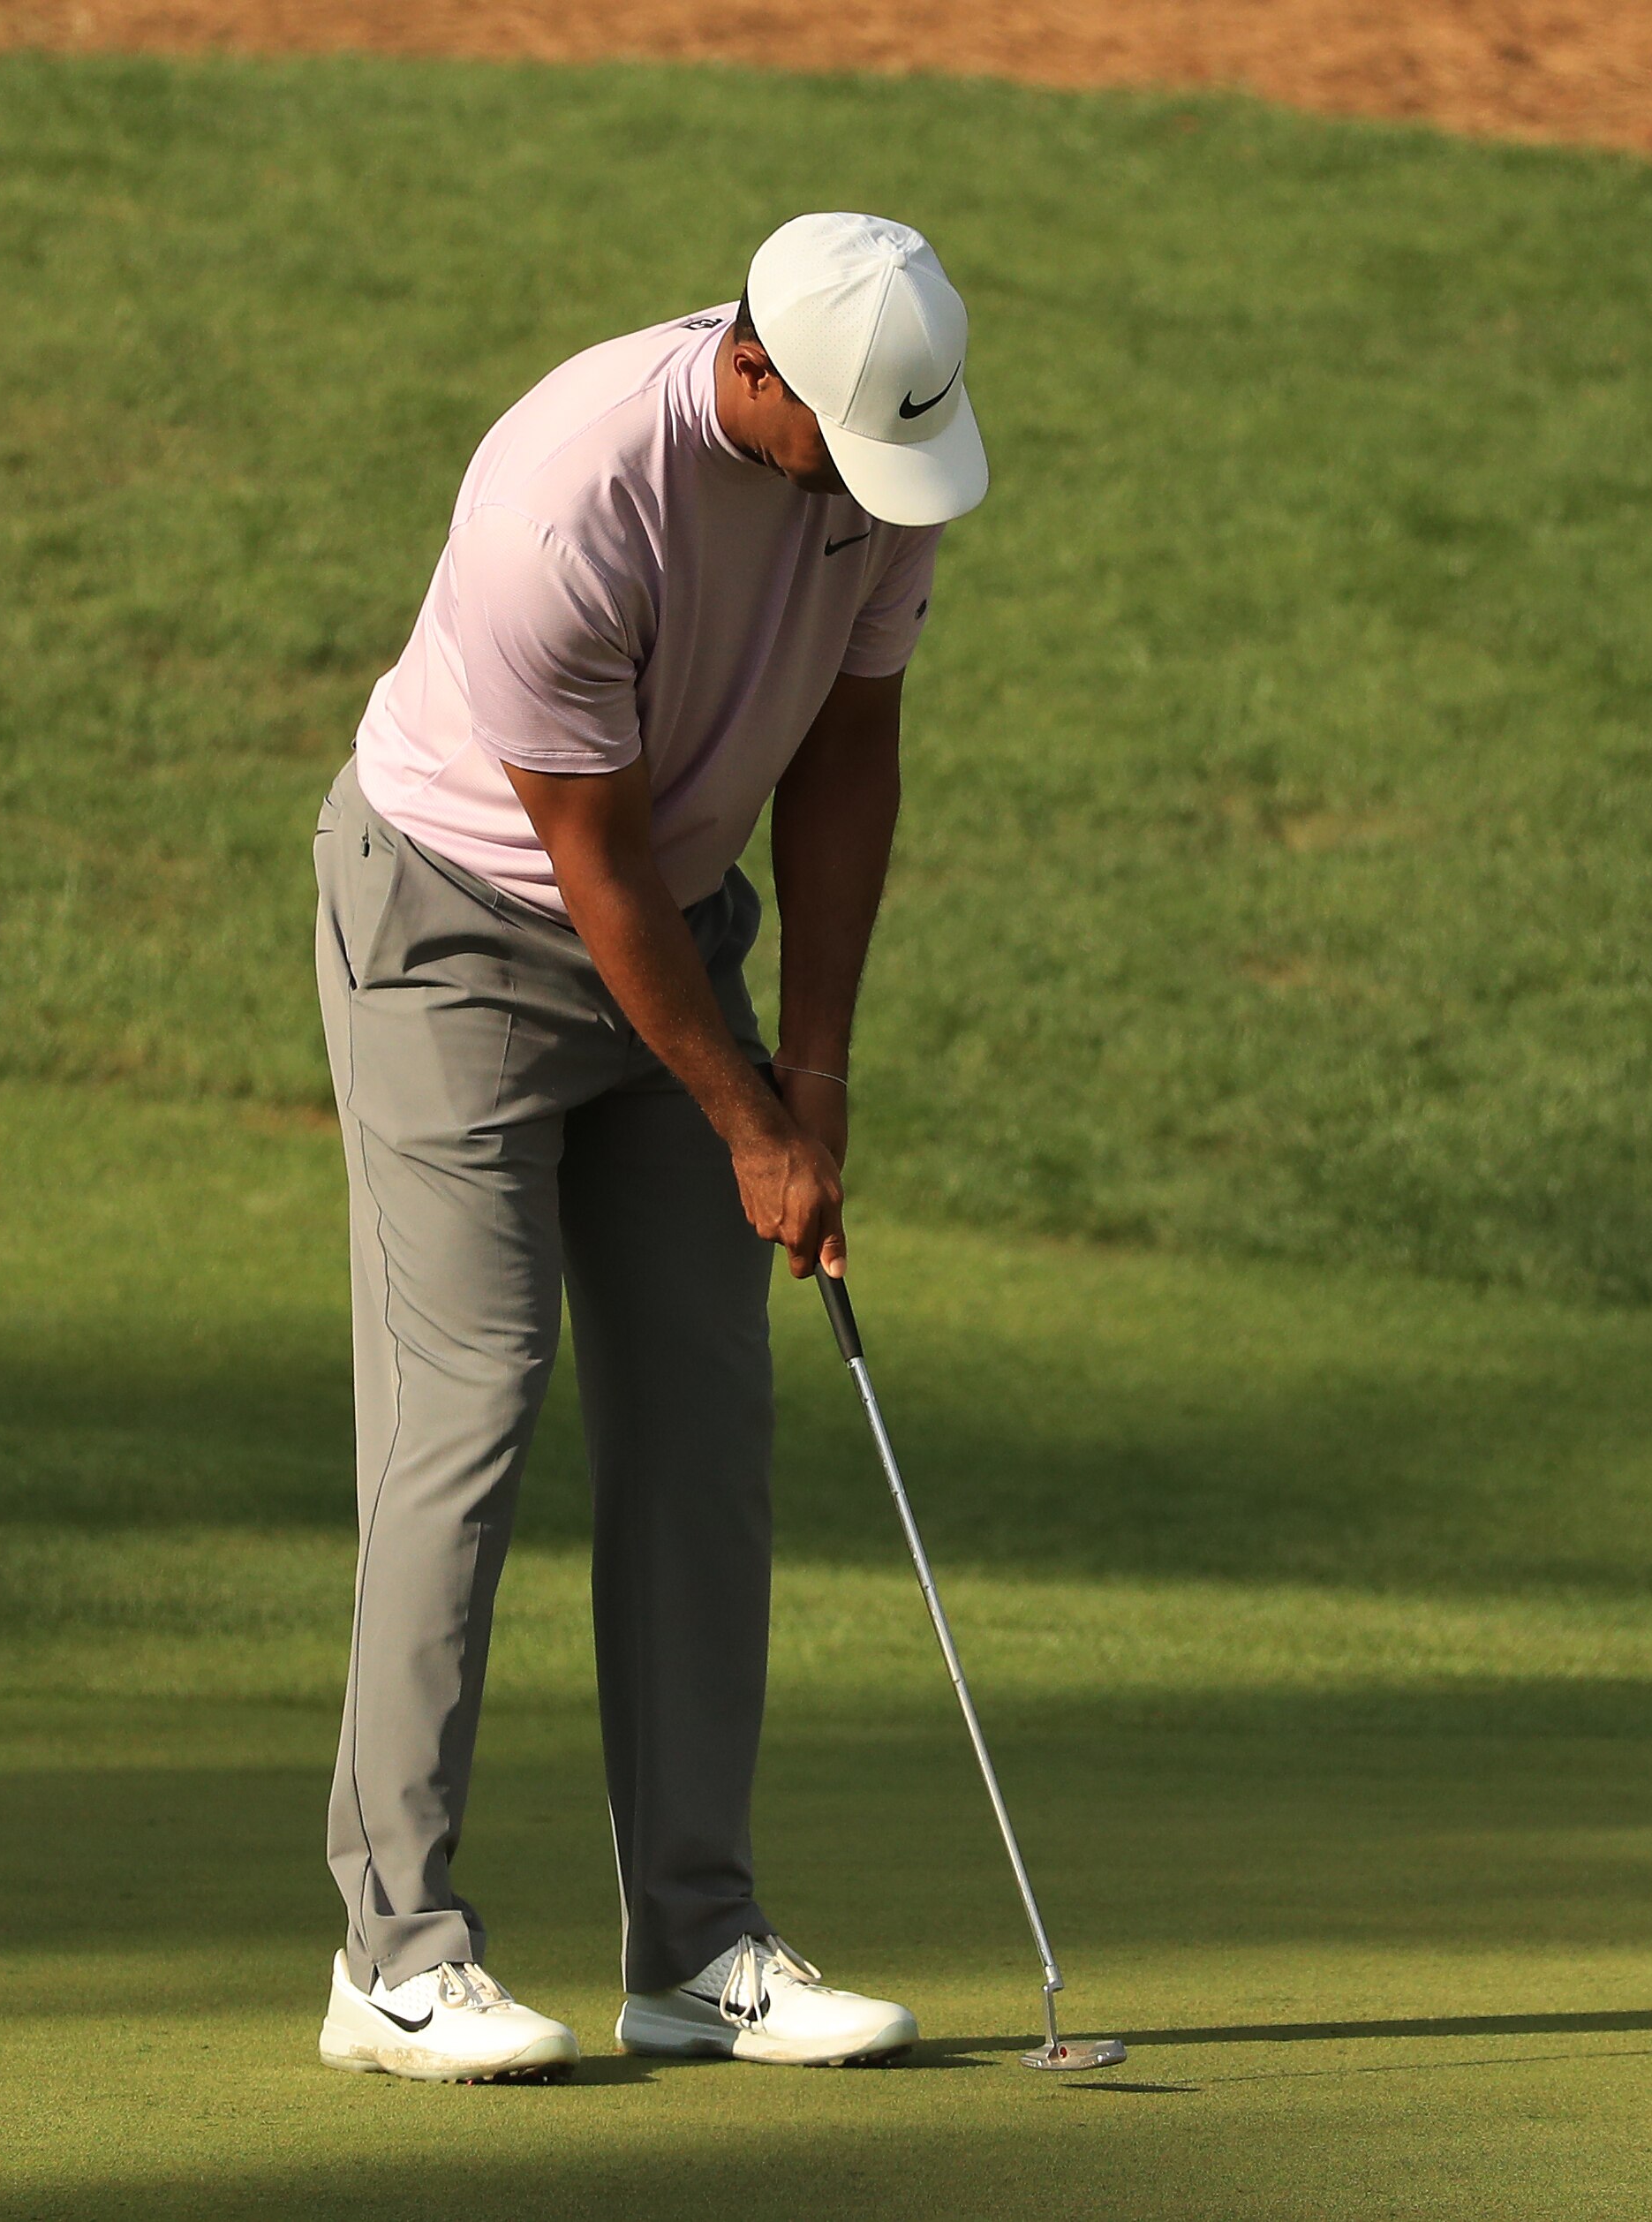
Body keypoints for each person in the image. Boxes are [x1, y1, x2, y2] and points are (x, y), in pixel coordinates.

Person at [306, 212, 986, 2083]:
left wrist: (819, 1084)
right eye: (847, 448)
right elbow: (586, 866)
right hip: (453, 927)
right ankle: (395, 1951)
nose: (876, 491)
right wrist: (747, 1115)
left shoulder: (888, 445)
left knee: (703, 1420)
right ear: (754, 368)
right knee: (472, 1401)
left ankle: (695, 1945)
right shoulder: (567, 487)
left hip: (676, 928)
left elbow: (853, 753)